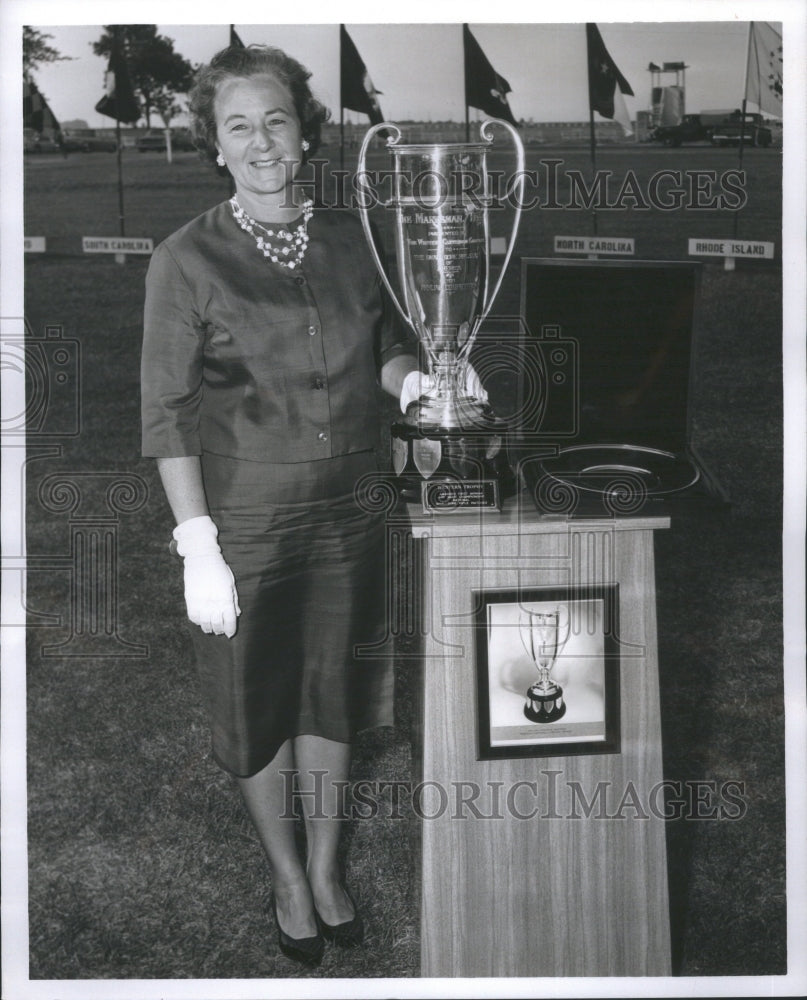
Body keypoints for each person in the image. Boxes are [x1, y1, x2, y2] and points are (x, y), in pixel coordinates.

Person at [141, 42, 484, 967]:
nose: (261, 143)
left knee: (332, 700)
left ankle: (328, 869)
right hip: (244, 524)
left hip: (350, 516)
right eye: (238, 126)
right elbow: (166, 413)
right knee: (257, 705)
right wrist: (196, 543)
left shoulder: (352, 239)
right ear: (215, 145)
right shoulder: (184, 260)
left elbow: (383, 347)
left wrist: (419, 381)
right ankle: (287, 878)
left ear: (304, 134)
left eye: (276, 121)